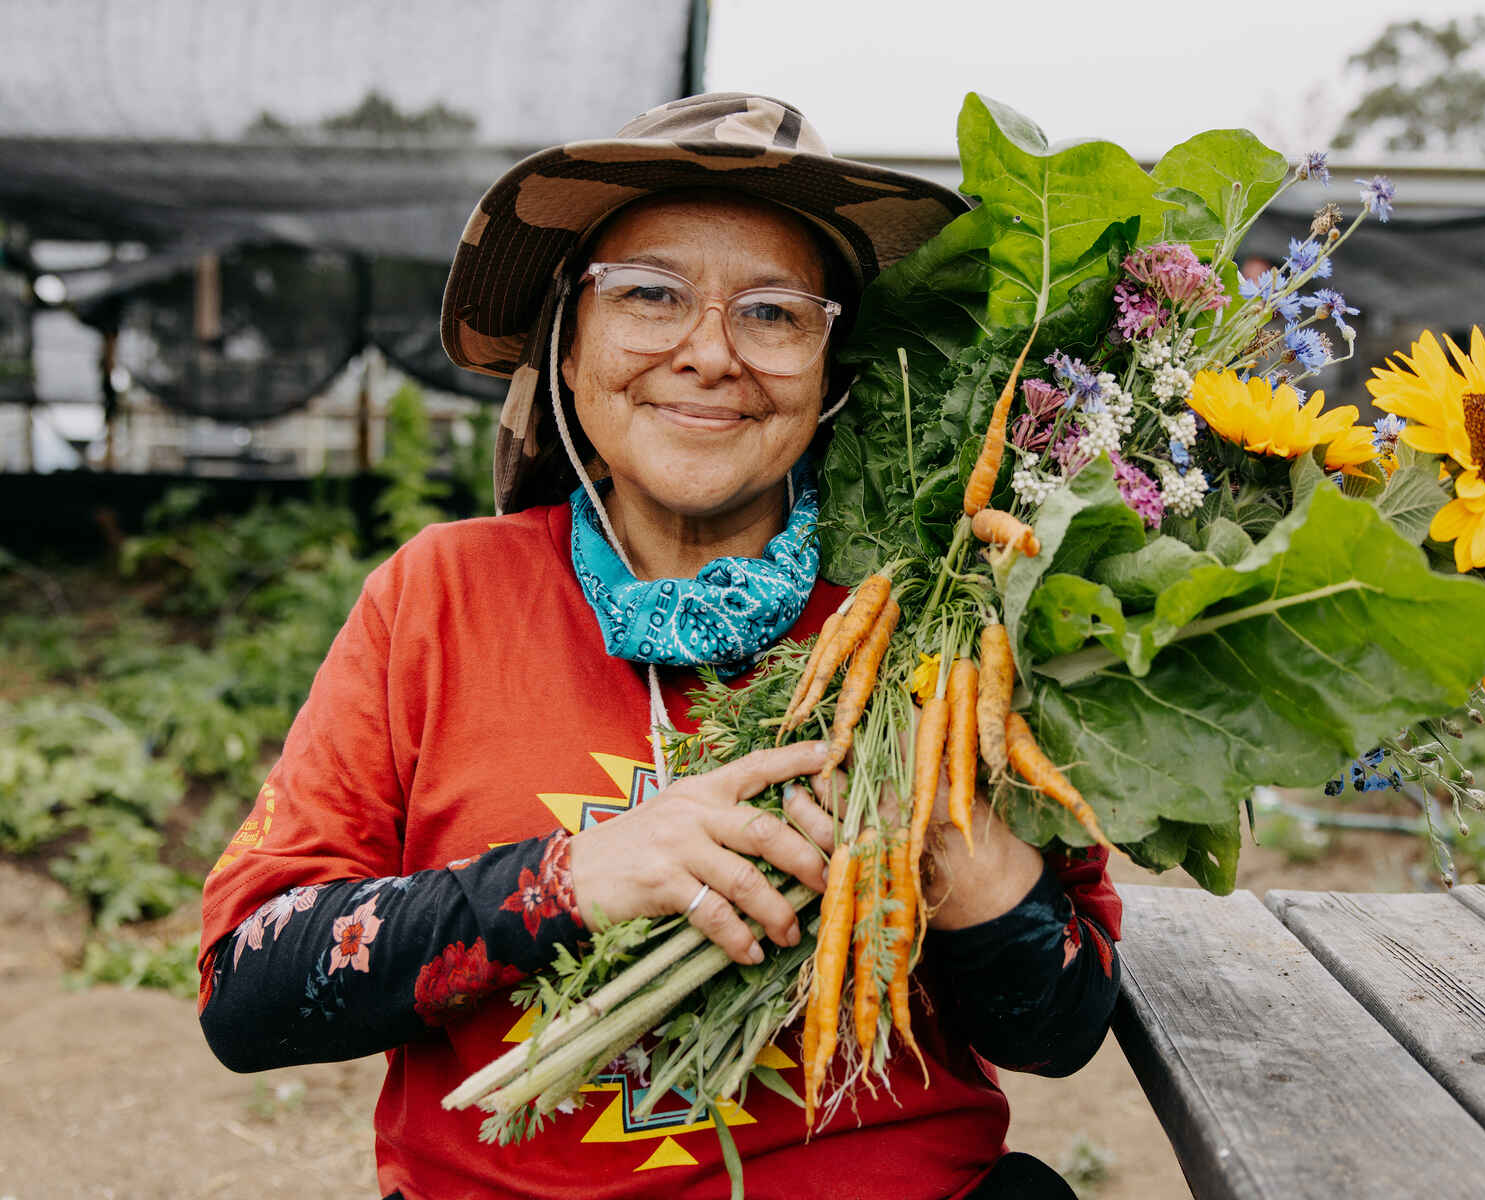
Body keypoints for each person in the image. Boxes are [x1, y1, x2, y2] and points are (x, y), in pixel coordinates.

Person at [198, 93, 1122, 1200]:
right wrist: (569, 881)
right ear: (568, 348)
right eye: (649, 295)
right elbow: (247, 996)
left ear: (835, 369)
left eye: (774, 313)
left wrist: (952, 848)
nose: (709, 354)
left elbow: (1062, 1030)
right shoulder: (439, 595)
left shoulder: (949, 615)